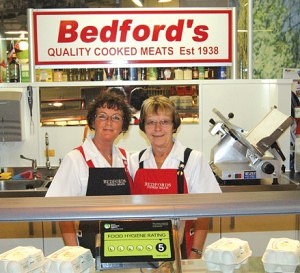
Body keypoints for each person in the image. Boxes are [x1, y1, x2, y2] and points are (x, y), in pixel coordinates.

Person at [129, 95, 222, 259]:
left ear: (174, 126)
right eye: (151, 122)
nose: (157, 128)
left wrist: (195, 252)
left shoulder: (193, 159)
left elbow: (206, 211)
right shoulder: (135, 161)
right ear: (143, 127)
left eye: (164, 122)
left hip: (183, 249)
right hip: (142, 249)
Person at [46, 92, 132, 257]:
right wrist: (76, 255)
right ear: (93, 121)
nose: (108, 123)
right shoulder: (76, 159)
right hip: (87, 250)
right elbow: (60, 211)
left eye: (116, 118)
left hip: (122, 246)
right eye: (102, 116)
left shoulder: (126, 158)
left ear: (123, 126)